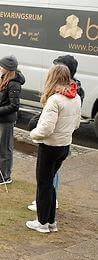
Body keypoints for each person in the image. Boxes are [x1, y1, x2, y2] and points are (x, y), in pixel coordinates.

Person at [26, 64, 81, 233]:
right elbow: (77, 123)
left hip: (50, 146)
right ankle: (50, 221)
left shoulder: (55, 100)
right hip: (64, 145)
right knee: (49, 183)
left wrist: (33, 134)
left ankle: (42, 222)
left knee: (44, 184)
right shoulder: (75, 97)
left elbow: (46, 128)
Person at [0, 55, 25, 185]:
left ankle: (5, 176)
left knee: (4, 148)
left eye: (2, 65)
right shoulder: (5, 79)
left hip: (6, 120)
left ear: (8, 68)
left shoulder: (14, 83)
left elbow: (14, 106)